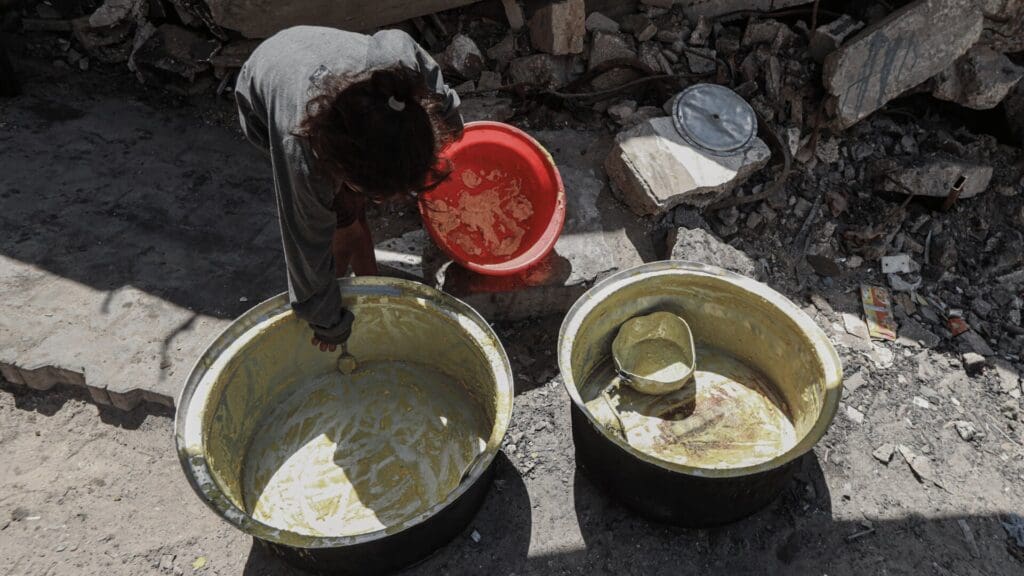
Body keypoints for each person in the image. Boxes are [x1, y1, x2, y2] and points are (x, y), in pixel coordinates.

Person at [235, 26, 464, 352]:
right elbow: (305, 250)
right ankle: (349, 263)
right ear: (340, 170)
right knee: (337, 223)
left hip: (320, 53)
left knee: (350, 217)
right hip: (262, 83)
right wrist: (328, 323)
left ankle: (369, 282)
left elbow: (399, 43)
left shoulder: (399, 72)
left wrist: (450, 122)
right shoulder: (301, 159)